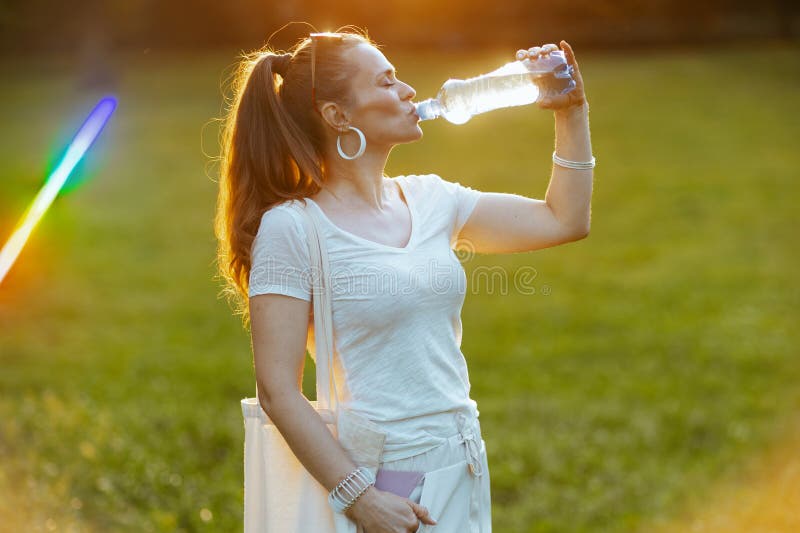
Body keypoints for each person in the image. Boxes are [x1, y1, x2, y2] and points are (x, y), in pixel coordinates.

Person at [215, 27, 593, 533]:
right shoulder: (294, 228)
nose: (409, 90)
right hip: (386, 478)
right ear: (337, 115)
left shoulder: (432, 199)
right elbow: (276, 390)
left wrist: (571, 112)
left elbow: (564, 219)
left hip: (462, 458)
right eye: (386, 82)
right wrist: (360, 499)